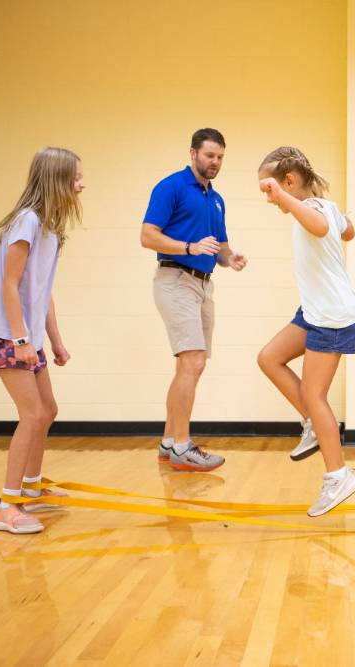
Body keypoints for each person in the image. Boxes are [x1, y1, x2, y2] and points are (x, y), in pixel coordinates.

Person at [0, 147, 83, 534]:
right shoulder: (27, 221)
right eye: (76, 178)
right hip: (8, 333)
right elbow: (10, 284)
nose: (81, 185)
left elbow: (42, 291)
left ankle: (31, 489)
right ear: (56, 179)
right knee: (33, 415)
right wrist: (21, 339)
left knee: (47, 410)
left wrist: (55, 341)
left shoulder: (50, 228)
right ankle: (6, 505)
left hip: (29, 336)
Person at [256, 146, 355, 517]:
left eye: (269, 189)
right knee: (269, 358)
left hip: (332, 316)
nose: (270, 199)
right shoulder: (325, 207)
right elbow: (349, 231)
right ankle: (315, 426)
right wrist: (338, 216)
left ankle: (339, 476)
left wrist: (284, 197)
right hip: (315, 311)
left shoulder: (314, 210)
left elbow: (320, 226)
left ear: (288, 181)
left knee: (314, 395)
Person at [140, 128, 247, 471]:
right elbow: (148, 236)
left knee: (189, 365)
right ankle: (183, 447)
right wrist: (189, 247)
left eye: (220, 157)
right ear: (193, 153)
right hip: (175, 279)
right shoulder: (171, 187)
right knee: (193, 362)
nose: (215, 162)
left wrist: (230, 258)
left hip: (203, 285)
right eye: (209, 155)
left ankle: (169, 442)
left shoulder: (216, 199)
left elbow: (220, 247)